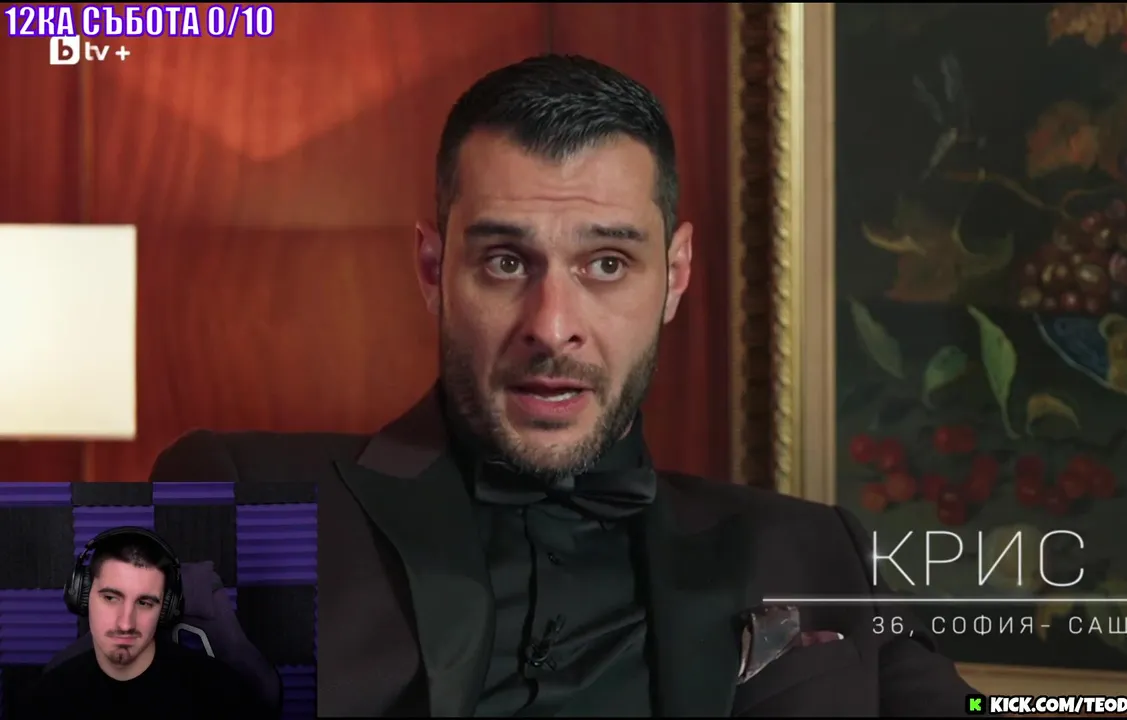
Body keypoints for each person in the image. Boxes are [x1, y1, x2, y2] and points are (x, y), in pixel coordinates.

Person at [148, 54, 978, 716]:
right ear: (434, 271)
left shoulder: (816, 548)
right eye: (506, 262)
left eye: (606, 264)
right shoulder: (238, 495)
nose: (551, 326)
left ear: (675, 276)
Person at [25, 527, 273, 718]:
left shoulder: (222, 694)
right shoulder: (47, 698)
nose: (125, 623)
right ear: (83, 596)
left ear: (166, 608)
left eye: (144, 603)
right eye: (111, 598)